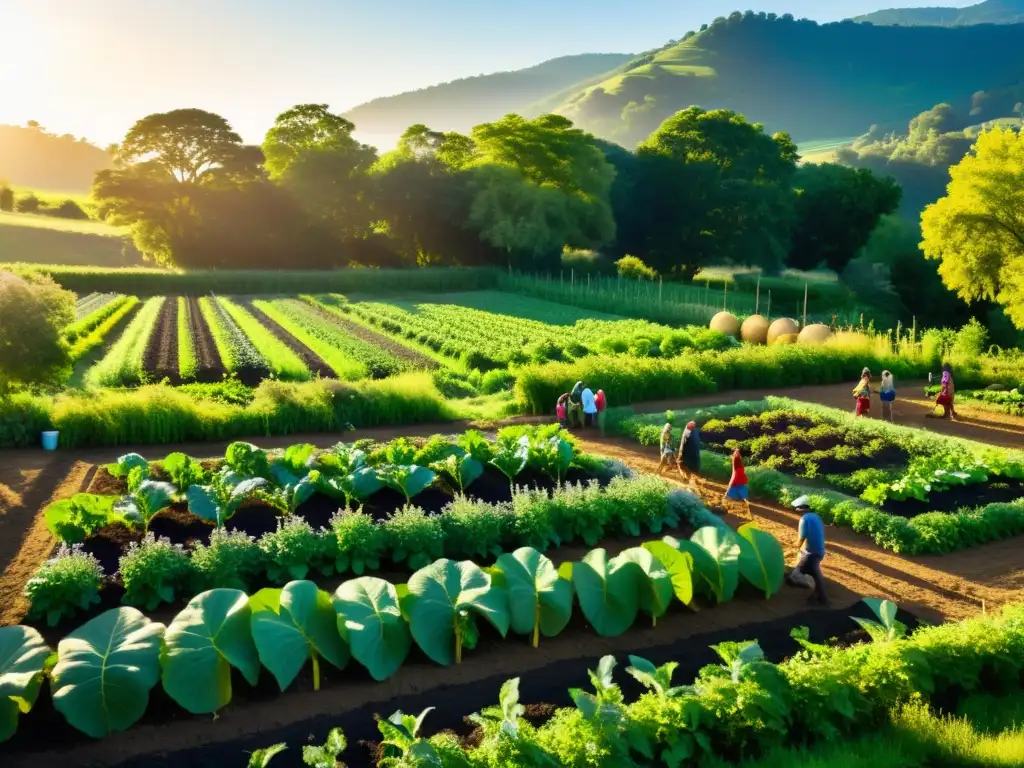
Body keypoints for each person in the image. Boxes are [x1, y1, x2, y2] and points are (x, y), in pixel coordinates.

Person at [786, 496, 829, 606]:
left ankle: (822, 599)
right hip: (820, 551)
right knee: (815, 574)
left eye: (796, 508)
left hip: (811, 554)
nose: (795, 510)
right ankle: (818, 597)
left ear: (801, 508)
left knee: (796, 575)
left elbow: (802, 537)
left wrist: (796, 546)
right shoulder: (816, 517)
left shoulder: (804, 519)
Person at [723, 447, 751, 520]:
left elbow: (737, 471)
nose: (737, 453)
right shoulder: (736, 459)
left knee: (737, 492)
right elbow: (735, 471)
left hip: (739, 478)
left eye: (738, 452)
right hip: (738, 478)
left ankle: (740, 502)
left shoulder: (737, 459)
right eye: (736, 452)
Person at [677, 420, 702, 489]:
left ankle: (689, 481)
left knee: (682, 466)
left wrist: (680, 453)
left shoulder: (687, 432)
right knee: (691, 469)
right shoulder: (695, 432)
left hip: (688, 456)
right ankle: (691, 480)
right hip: (695, 456)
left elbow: (682, 444)